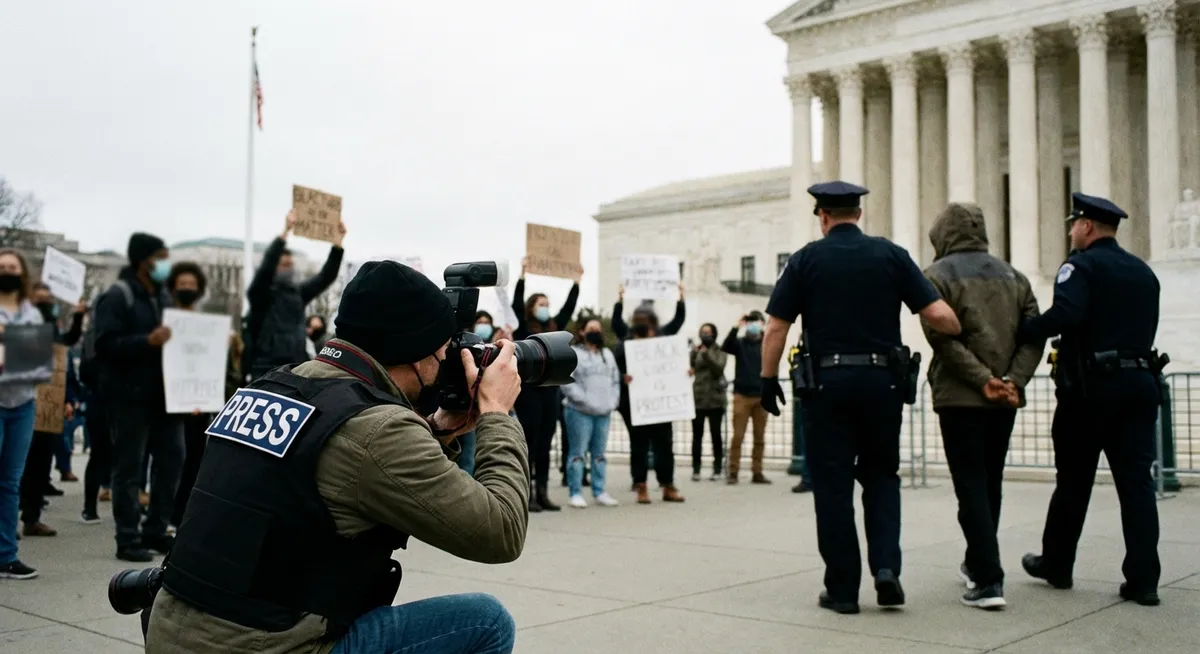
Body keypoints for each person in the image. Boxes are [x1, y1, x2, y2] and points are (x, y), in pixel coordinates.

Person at [146, 260, 528, 654]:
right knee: (487, 622)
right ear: (415, 355)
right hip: (264, 648)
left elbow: (321, 477)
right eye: (443, 352)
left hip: (176, 633)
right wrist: (497, 413)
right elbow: (501, 531)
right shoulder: (376, 428)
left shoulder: (274, 385)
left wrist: (437, 430)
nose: (445, 364)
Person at [760, 181, 961, 614]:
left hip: (826, 385)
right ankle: (887, 569)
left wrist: (766, 378)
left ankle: (843, 589)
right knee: (882, 477)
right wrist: (966, 332)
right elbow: (940, 315)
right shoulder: (891, 255)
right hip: (881, 384)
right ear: (858, 214)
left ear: (823, 217)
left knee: (832, 486)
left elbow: (776, 326)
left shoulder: (805, 260)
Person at [1017, 192, 1164, 607]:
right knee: (1137, 485)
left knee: (1074, 482)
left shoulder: (1079, 266)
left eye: (1073, 224)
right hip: (1139, 385)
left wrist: (1027, 330)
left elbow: (1065, 315)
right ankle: (1143, 580)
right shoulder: (1143, 272)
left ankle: (1057, 565)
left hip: (1091, 392)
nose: (1070, 231)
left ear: (1086, 227)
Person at [921, 202, 1045, 610]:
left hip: (960, 396)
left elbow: (943, 340)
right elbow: (1033, 335)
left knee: (970, 485)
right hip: (1004, 397)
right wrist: (1012, 381)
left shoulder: (936, 276)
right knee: (991, 482)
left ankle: (989, 579)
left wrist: (982, 380)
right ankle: (978, 563)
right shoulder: (1016, 276)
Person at [92, 233, 186, 562]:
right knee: (129, 468)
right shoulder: (118, 297)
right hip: (128, 397)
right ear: (142, 260)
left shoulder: (163, 297)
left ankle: (156, 530)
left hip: (165, 396)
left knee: (173, 459)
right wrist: (147, 341)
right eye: (160, 256)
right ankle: (128, 536)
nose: (165, 263)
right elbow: (103, 344)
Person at [511, 257, 580, 512]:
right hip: (529, 392)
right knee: (530, 441)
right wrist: (522, 276)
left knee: (545, 443)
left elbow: (568, 310)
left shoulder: (554, 328)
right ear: (531, 308)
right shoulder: (523, 327)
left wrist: (576, 283)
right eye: (541, 304)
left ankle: (543, 492)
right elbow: (516, 305)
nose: (546, 308)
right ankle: (526, 494)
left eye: (547, 304)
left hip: (551, 392)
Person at [245, 209, 346, 380]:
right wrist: (284, 234)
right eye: (284, 265)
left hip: (296, 368)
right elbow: (265, 270)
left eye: (290, 265)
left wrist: (338, 244)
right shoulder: (260, 294)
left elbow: (325, 277)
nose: (289, 268)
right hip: (265, 370)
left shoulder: (297, 294)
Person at [18, 284, 85, 537]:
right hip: (20, 408)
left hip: (46, 412)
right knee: (15, 468)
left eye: (49, 301)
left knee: (39, 465)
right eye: (41, 302)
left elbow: (66, 351)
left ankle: (31, 517)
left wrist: (78, 315)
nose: (47, 306)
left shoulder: (54, 334)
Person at [0, 249, 51, 580]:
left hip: (22, 404)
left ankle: (6, 555)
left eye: (12, 267)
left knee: (9, 482)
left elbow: (38, 362)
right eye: (1, 267)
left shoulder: (32, 314)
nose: (6, 271)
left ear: (22, 273)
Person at [614, 307, 687, 505]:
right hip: (636, 405)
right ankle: (641, 486)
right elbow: (614, 371)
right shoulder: (625, 345)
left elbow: (678, 321)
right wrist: (623, 378)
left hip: (661, 405)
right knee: (639, 446)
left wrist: (684, 373)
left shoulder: (664, 342)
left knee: (665, 445)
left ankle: (667, 485)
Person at [164, 262, 215, 530]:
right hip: (172, 405)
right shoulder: (164, 319)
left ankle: (181, 513)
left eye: (191, 286)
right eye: (182, 285)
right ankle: (165, 512)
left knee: (195, 461)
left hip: (199, 402)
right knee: (173, 462)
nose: (187, 289)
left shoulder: (202, 323)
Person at [560, 317, 620, 508]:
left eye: (598, 329)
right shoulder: (574, 354)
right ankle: (575, 491)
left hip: (603, 412)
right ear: (582, 332)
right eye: (592, 328)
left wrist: (612, 401)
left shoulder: (607, 354)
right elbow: (566, 381)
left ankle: (599, 490)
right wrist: (584, 400)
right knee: (577, 453)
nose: (596, 332)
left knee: (599, 454)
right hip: (579, 411)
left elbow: (615, 380)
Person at [455, 310, 510, 476]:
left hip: (484, 408)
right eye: (481, 322)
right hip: (464, 407)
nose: (484, 326)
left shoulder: (497, 350)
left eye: (487, 322)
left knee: (479, 454)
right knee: (464, 455)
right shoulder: (463, 348)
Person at [722, 311, 772, 485]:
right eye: (750, 322)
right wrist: (737, 326)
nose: (753, 325)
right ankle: (733, 471)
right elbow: (726, 346)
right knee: (738, 436)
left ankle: (757, 472)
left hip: (761, 396)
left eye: (756, 322)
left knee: (760, 437)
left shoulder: (766, 343)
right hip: (742, 395)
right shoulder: (740, 344)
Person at [690, 323, 728, 482]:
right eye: (702, 332)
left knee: (716, 436)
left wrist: (706, 355)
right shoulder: (696, 351)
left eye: (708, 332)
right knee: (697, 436)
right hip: (698, 399)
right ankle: (696, 469)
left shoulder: (719, 351)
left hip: (715, 400)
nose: (704, 335)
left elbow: (718, 368)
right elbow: (691, 367)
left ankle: (717, 468)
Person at [611, 283, 686, 341]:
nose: (643, 327)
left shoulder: (660, 336)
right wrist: (620, 298)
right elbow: (617, 322)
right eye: (639, 322)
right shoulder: (628, 338)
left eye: (646, 322)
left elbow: (678, 320)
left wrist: (681, 296)